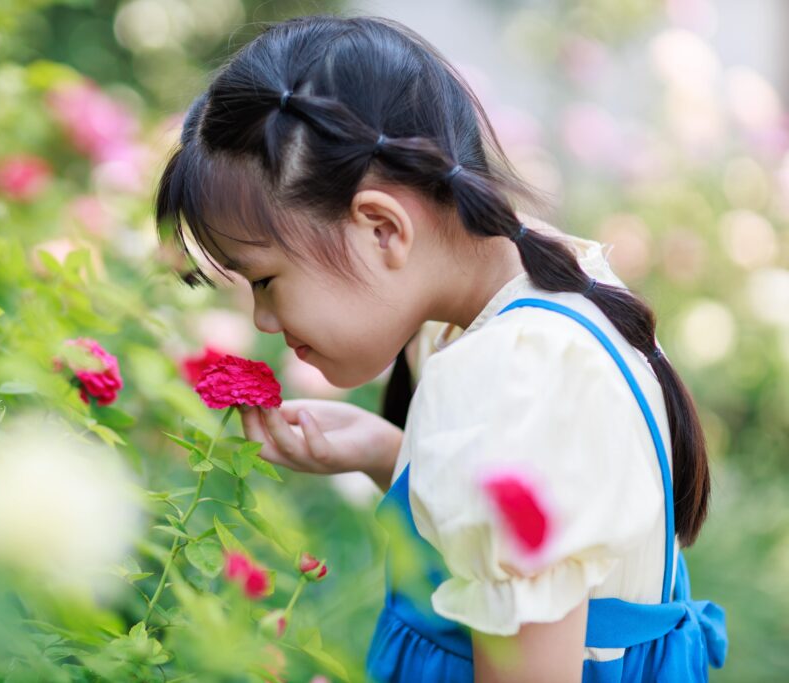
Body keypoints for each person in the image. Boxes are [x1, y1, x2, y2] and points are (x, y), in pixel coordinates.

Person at [153, 14, 727, 682]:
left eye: (267, 280)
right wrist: (385, 452)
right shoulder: (556, 290)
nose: (264, 319)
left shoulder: (505, 379)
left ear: (382, 228)